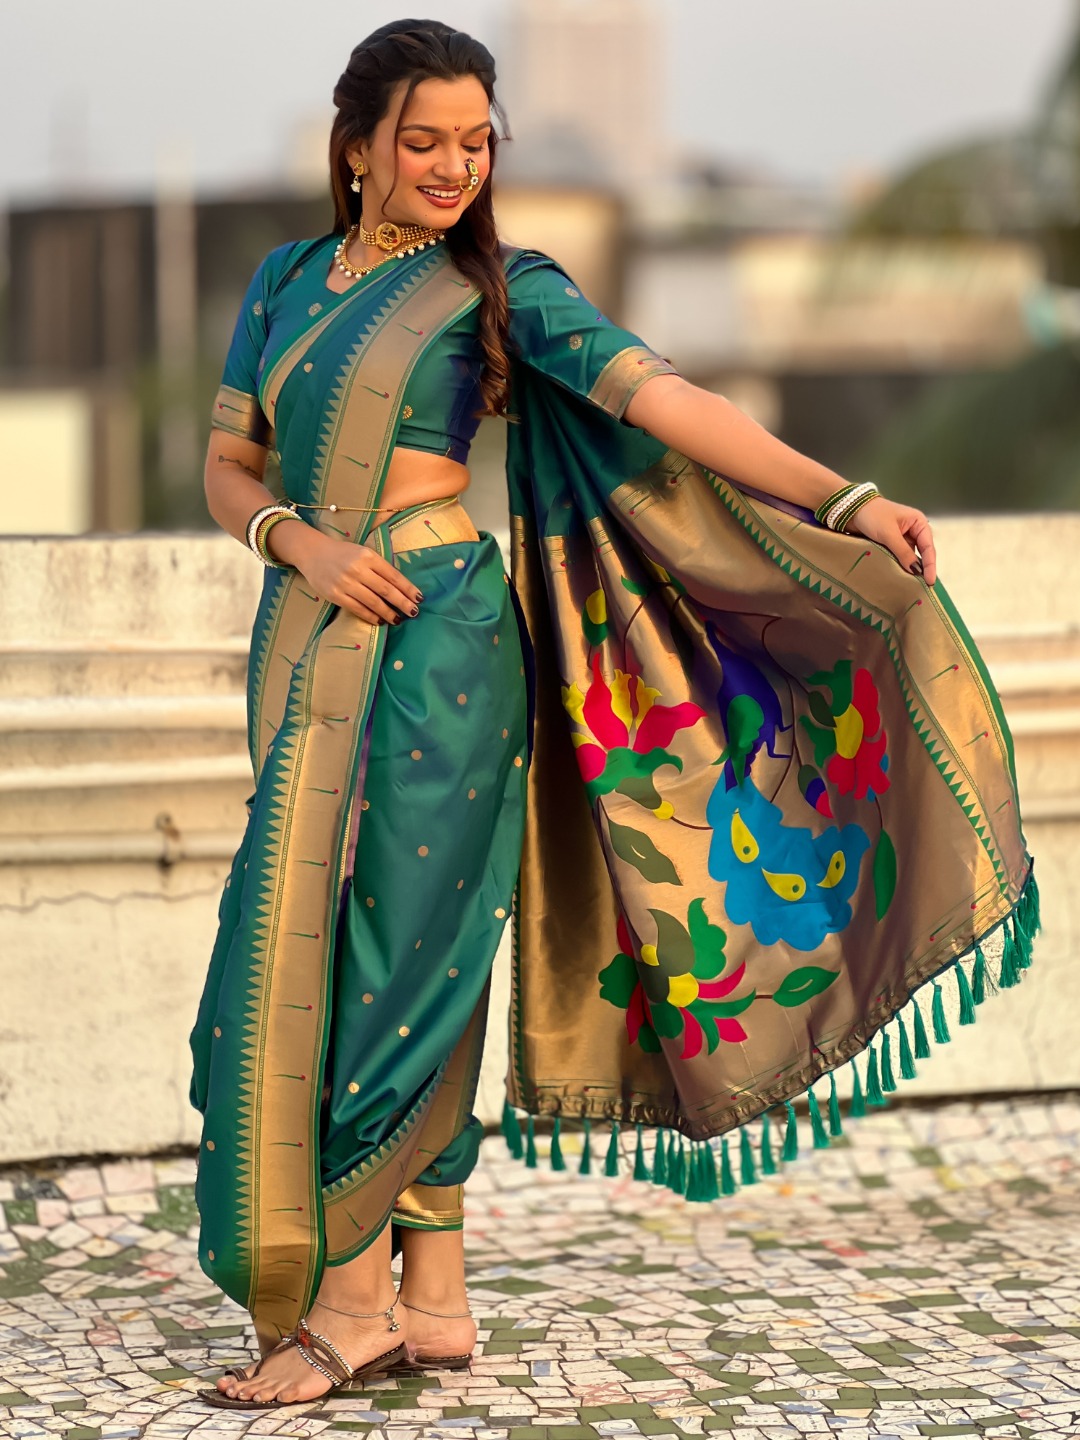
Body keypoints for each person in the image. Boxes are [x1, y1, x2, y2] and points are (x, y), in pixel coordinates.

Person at [190, 18, 1036, 1412]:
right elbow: (230, 466)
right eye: (424, 140)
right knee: (315, 947)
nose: (456, 165)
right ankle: (438, 1301)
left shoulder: (502, 292)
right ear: (356, 148)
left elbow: (674, 401)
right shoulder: (283, 284)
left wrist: (842, 502)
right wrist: (295, 541)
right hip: (303, 644)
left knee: (411, 958)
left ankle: (351, 1308)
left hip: (442, 650)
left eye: (478, 141)